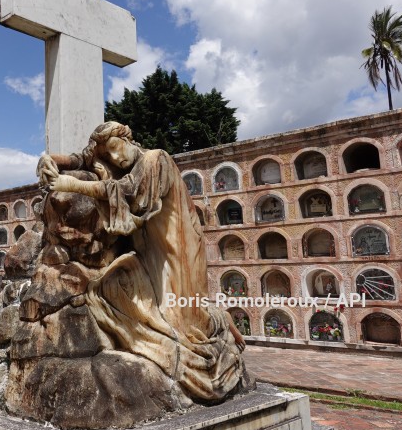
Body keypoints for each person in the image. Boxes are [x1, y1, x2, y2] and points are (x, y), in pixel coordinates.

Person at [39, 121, 250, 403]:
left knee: (184, 328)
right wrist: (49, 159)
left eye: (115, 149)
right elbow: (82, 158)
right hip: (145, 254)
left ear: (128, 139)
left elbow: (128, 190)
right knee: (107, 290)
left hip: (176, 254)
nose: (114, 159)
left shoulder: (156, 159)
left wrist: (72, 184)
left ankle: (216, 319)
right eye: (107, 156)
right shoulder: (123, 162)